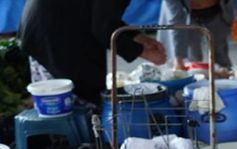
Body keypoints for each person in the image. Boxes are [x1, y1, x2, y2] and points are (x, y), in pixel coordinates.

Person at [19, 0, 166, 104]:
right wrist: (143, 52)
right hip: (53, 34)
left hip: (48, 27)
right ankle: (74, 145)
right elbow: (103, 28)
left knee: (69, 101)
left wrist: (137, 37)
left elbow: (99, 14)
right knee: (75, 102)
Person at [158, 0, 237, 70]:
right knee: (191, 59)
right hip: (187, 15)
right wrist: (178, 58)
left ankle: (225, 82)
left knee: (220, 55)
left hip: (217, 11)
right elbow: (176, 21)